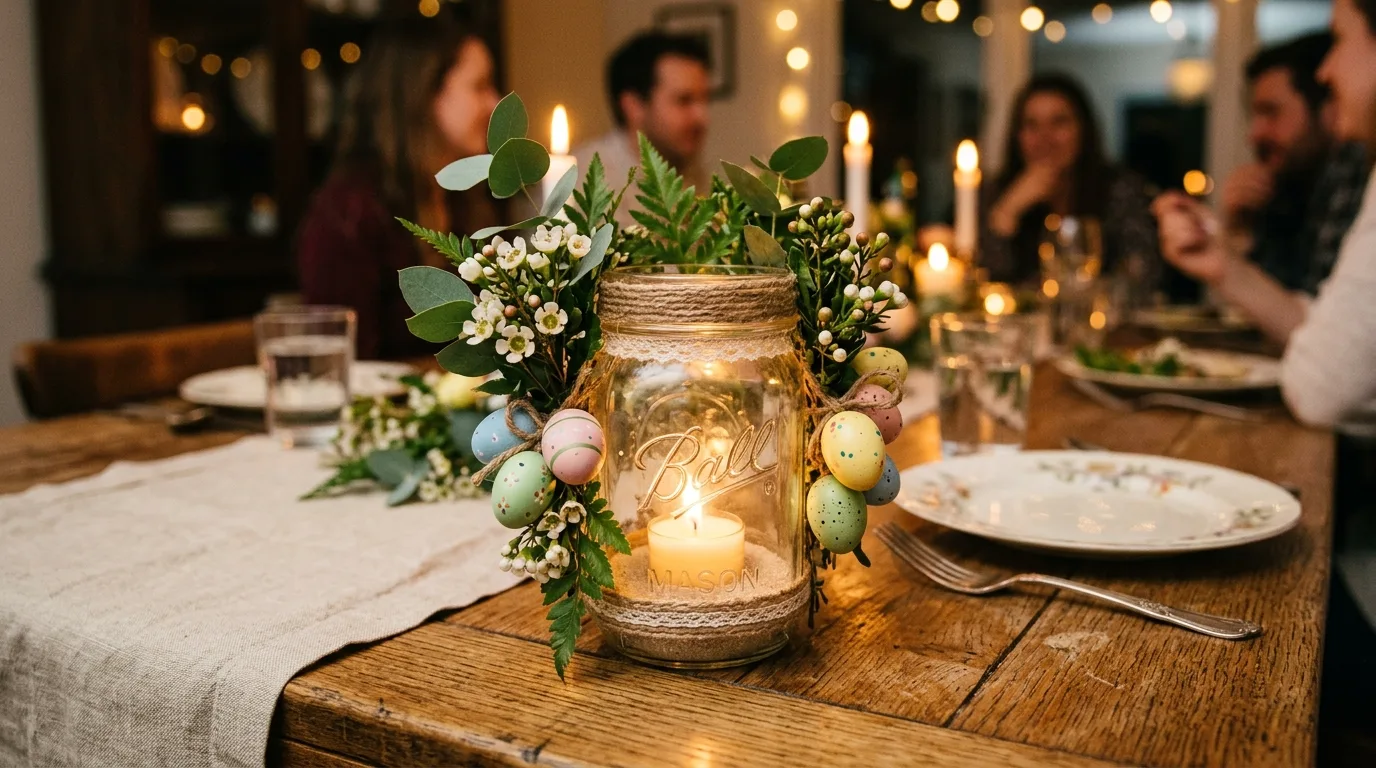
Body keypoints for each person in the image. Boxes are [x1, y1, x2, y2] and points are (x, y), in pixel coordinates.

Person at [297, 16, 500, 359]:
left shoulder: (468, 199)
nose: (495, 103)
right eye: (479, 86)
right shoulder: (350, 211)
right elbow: (342, 362)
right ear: (422, 92)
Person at [1217, 33, 1367, 293]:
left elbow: (1314, 311)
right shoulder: (1293, 187)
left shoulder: (1353, 169)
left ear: (1328, 109)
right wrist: (1244, 233)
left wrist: (1224, 261)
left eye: (1271, 112)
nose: (1254, 134)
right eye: (1254, 115)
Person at [980, 74, 1159, 289]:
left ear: (1083, 130)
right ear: (1017, 135)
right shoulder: (996, 192)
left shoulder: (1121, 190)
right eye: (1031, 125)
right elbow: (984, 282)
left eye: (1059, 122)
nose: (1044, 138)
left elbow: (1144, 273)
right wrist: (1008, 211)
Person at [574, 32, 711, 226]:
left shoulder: (694, 174)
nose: (702, 117)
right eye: (684, 100)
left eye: (704, 99)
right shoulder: (587, 179)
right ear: (633, 106)